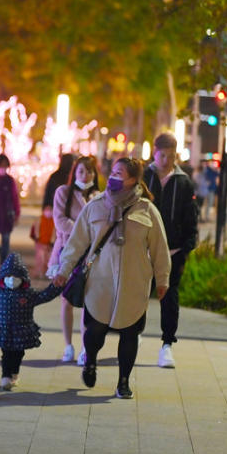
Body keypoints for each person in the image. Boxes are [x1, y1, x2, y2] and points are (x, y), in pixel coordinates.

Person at [53, 157, 171, 399]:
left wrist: (163, 279)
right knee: (94, 331)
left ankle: (123, 382)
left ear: (134, 180)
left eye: (121, 174)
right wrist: (63, 270)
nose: (115, 177)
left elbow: (160, 248)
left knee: (130, 333)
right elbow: (76, 243)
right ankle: (91, 361)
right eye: (114, 172)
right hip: (100, 282)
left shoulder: (147, 210)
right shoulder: (95, 207)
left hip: (134, 284)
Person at [144, 132, 200, 369]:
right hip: (143, 249)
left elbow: (191, 218)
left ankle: (167, 345)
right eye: (162, 155)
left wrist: (186, 246)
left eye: (170, 155)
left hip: (173, 251)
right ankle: (132, 334)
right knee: (137, 295)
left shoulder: (184, 182)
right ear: (155, 152)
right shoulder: (143, 177)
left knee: (169, 296)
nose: (166, 160)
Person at [46, 155, 101, 366]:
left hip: (90, 254)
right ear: (74, 173)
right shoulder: (63, 192)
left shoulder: (99, 196)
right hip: (67, 251)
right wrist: (83, 231)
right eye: (80, 171)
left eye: (89, 171)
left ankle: (85, 348)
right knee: (66, 299)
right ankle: (68, 345)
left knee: (89, 302)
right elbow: (60, 221)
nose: (85, 175)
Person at [0, 253, 61, 390]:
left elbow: (44, 296)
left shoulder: (28, 294)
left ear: (23, 279)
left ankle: (14, 373)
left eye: (16, 277)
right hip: (4, 330)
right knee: (6, 353)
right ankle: (6, 376)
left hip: (21, 330)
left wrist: (56, 286)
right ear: (3, 278)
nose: (12, 280)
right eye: (8, 276)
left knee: (19, 353)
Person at [31, 153, 76, 278]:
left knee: (55, 241)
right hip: (58, 214)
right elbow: (49, 193)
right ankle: (52, 267)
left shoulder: (58, 176)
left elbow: (47, 193)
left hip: (55, 212)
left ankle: (51, 267)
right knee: (55, 241)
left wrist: (45, 207)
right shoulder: (65, 177)